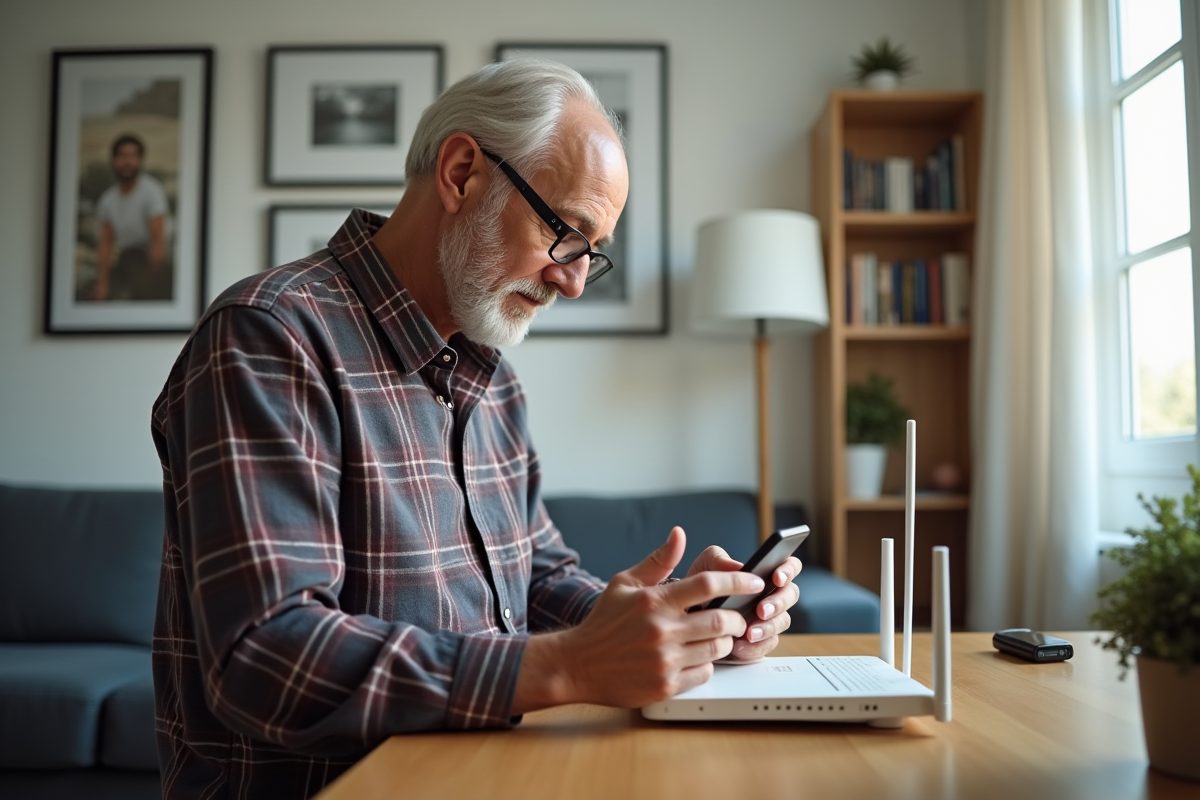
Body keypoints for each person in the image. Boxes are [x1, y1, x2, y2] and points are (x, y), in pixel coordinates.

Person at [151, 59, 802, 800]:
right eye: (565, 233)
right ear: (462, 173)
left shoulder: (494, 380)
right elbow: (267, 657)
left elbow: (536, 578)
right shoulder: (269, 337)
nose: (572, 281)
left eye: (591, 253)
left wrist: (672, 625)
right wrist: (572, 666)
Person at [92, 134, 172, 301]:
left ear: (140, 160)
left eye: (132, 156)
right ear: (114, 160)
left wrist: (154, 276)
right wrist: (103, 283)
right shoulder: (108, 200)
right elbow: (106, 243)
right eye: (122, 156)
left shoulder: (151, 191)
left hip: (150, 258)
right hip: (127, 257)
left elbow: (158, 239)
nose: (127, 162)